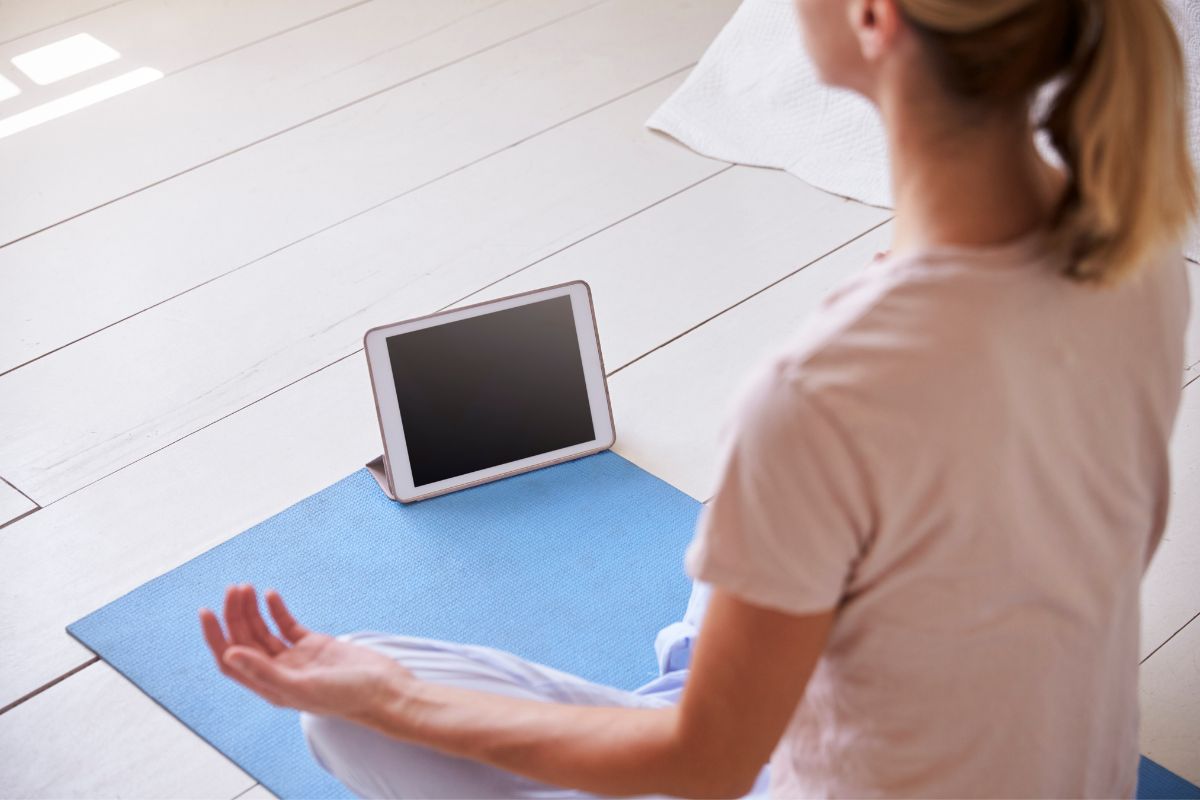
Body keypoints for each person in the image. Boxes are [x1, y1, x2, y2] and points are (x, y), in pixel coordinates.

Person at [199, 0, 1197, 796]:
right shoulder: (1141, 246)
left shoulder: (824, 393)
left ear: (875, 17)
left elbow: (703, 766)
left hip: (737, 764)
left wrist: (398, 700)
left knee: (342, 706)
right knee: (754, 531)